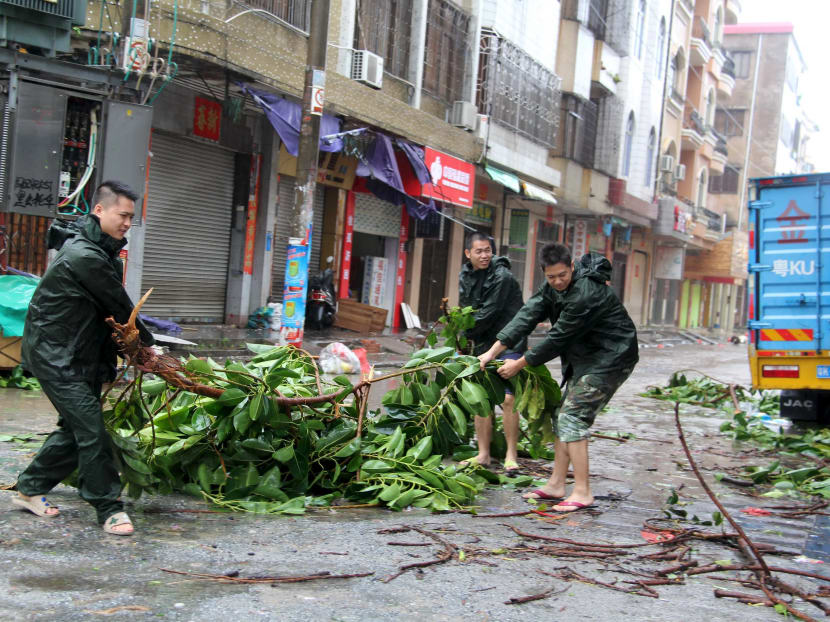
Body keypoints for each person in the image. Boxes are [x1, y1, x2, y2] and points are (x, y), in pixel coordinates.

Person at [13, 181, 154, 535]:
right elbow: (119, 304)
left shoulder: (99, 248)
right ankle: (108, 507)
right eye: (123, 215)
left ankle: (30, 488)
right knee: (91, 429)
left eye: (131, 218)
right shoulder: (85, 256)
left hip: (79, 352)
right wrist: (146, 347)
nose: (127, 224)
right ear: (100, 211)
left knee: (76, 429)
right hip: (56, 354)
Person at [478, 243, 638, 512]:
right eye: (552, 277)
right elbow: (525, 317)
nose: (558, 281)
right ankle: (555, 484)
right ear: (545, 274)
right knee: (560, 416)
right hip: (585, 359)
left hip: (612, 358)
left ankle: (583, 492)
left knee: (572, 417)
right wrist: (491, 353)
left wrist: (518, 364)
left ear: (572, 267)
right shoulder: (551, 288)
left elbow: (556, 338)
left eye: (563, 275)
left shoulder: (586, 292)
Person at [458, 232, 526, 471]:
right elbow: (465, 308)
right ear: (468, 253)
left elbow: (487, 314)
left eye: (488, 250)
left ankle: (511, 455)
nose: (484, 255)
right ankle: (483, 454)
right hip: (482, 344)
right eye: (479, 251)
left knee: (508, 399)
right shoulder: (466, 275)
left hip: (508, 342)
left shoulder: (503, 277)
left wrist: (464, 328)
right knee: (482, 399)